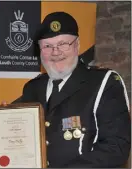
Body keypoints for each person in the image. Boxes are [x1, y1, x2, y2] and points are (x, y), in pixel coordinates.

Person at [16, 11, 131, 167]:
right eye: (47, 46)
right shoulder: (32, 88)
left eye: (63, 44)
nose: (55, 52)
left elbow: (116, 147)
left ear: (77, 45)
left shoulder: (105, 82)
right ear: (40, 51)